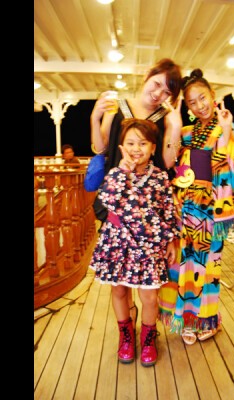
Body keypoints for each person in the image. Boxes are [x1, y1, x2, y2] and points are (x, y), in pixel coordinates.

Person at [89, 58, 183, 329]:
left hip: (148, 207)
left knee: (147, 280)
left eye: (167, 92)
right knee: (119, 278)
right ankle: (127, 320)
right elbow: (100, 147)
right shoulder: (117, 106)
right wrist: (95, 117)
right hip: (118, 197)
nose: (158, 94)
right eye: (157, 84)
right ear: (146, 76)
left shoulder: (164, 117)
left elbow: (168, 162)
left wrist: (175, 126)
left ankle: (147, 329)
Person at [158, 68, 234, 345]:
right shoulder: (186, 132)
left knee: (208, 270)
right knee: (183, 266)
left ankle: (207, 319)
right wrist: (173, 123)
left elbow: (232, 169)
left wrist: (226, 131)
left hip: (213, 210)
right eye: (192, 102)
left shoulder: (227, 126)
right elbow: (171, 161)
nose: (199, 106)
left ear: (212, 94)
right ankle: (186, 319)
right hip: (186, 209)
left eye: (202, 98)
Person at [89, 118, 179, 366]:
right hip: (117, 242)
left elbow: (168, 210)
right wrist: (124, 172)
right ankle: (126, 337)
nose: (136, 149)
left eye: (142, 143)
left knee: (149, 297)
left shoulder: (160, 177)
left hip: (149, 244)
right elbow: (107, 201)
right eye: (130, 143)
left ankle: (148, 338)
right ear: (121, 147)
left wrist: (171, 241)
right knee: (119, 290)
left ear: (153, 147)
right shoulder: (115, 174)